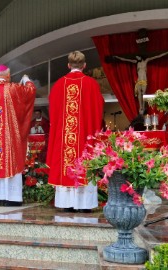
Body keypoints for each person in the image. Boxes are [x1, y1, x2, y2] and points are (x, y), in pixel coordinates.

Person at [47, 51, 104, 213]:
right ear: (85, 66)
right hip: (85, 136)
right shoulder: (91, 84)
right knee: (84, 164)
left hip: (64, 139)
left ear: (68, 65)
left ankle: (67, 204)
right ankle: (84, 205)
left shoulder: (58, 85)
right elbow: (98, 108)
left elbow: (53, 112)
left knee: (66, 165)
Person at [0, 65, 36, 207]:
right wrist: (27, 80)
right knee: (10, 162)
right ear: (8, 75)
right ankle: (12, 198)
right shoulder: (13, 89)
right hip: (9, 140)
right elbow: (30, 93)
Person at [113, 50, 168, 115]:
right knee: (139, 94)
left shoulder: (146, 61)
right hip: (139, 80)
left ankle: (144, 107)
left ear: (140, 57)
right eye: (136, 58)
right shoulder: (136, 62)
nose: (136, 58)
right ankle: (141, 107)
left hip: (144, 80)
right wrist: (117, 57)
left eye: (137, 57)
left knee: (143, 94)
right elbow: (125, 59)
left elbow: (157, 56)